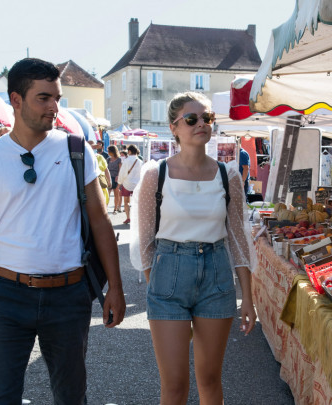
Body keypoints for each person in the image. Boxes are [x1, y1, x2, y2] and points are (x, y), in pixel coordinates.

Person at [0, 58, 126, 404]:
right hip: (7, 296)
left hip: (69, 296)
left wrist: (116, 288)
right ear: (16, 100)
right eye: (44, 98)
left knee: (70, 397)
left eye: (57, 98)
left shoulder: (76, 150)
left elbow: (100, 222)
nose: (54, 107)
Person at [130, 92, 256, 404]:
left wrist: (249, 299)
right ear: (174, 127)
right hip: (168, 273)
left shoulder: (228, 176)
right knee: (174, 385)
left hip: (216, 275)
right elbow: (145, 243)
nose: (201, 124)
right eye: (192, 119)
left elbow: (238, 240)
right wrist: (156, 287)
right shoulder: (155, 175)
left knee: (210, 379)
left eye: (207, 118)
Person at [116, 144, 142, 224]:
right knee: (137, 202)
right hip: (137, 184)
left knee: (126, 201)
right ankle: (136, 218)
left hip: (127, 183)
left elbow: (122, 173)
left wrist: (119, 183)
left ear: (129, 151)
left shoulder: (126, 160)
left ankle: (128, 217)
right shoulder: (140, 161)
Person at [90, 140, 112, 206]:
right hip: (92, 186)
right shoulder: (83, 158)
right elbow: (106, 170)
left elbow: (106, 170)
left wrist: (109, 181)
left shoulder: (100, 157)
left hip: (100, 184)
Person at [107, 145, 122, 213]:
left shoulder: (119, 159)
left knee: (116, 194)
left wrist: (118, 176)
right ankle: (105, 207)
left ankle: (115, 209)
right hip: (109, 177)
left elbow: (120, 169)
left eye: (109, 151)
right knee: (108, 193)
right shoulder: (108, 159)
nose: (108, 152)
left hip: (116, 177)